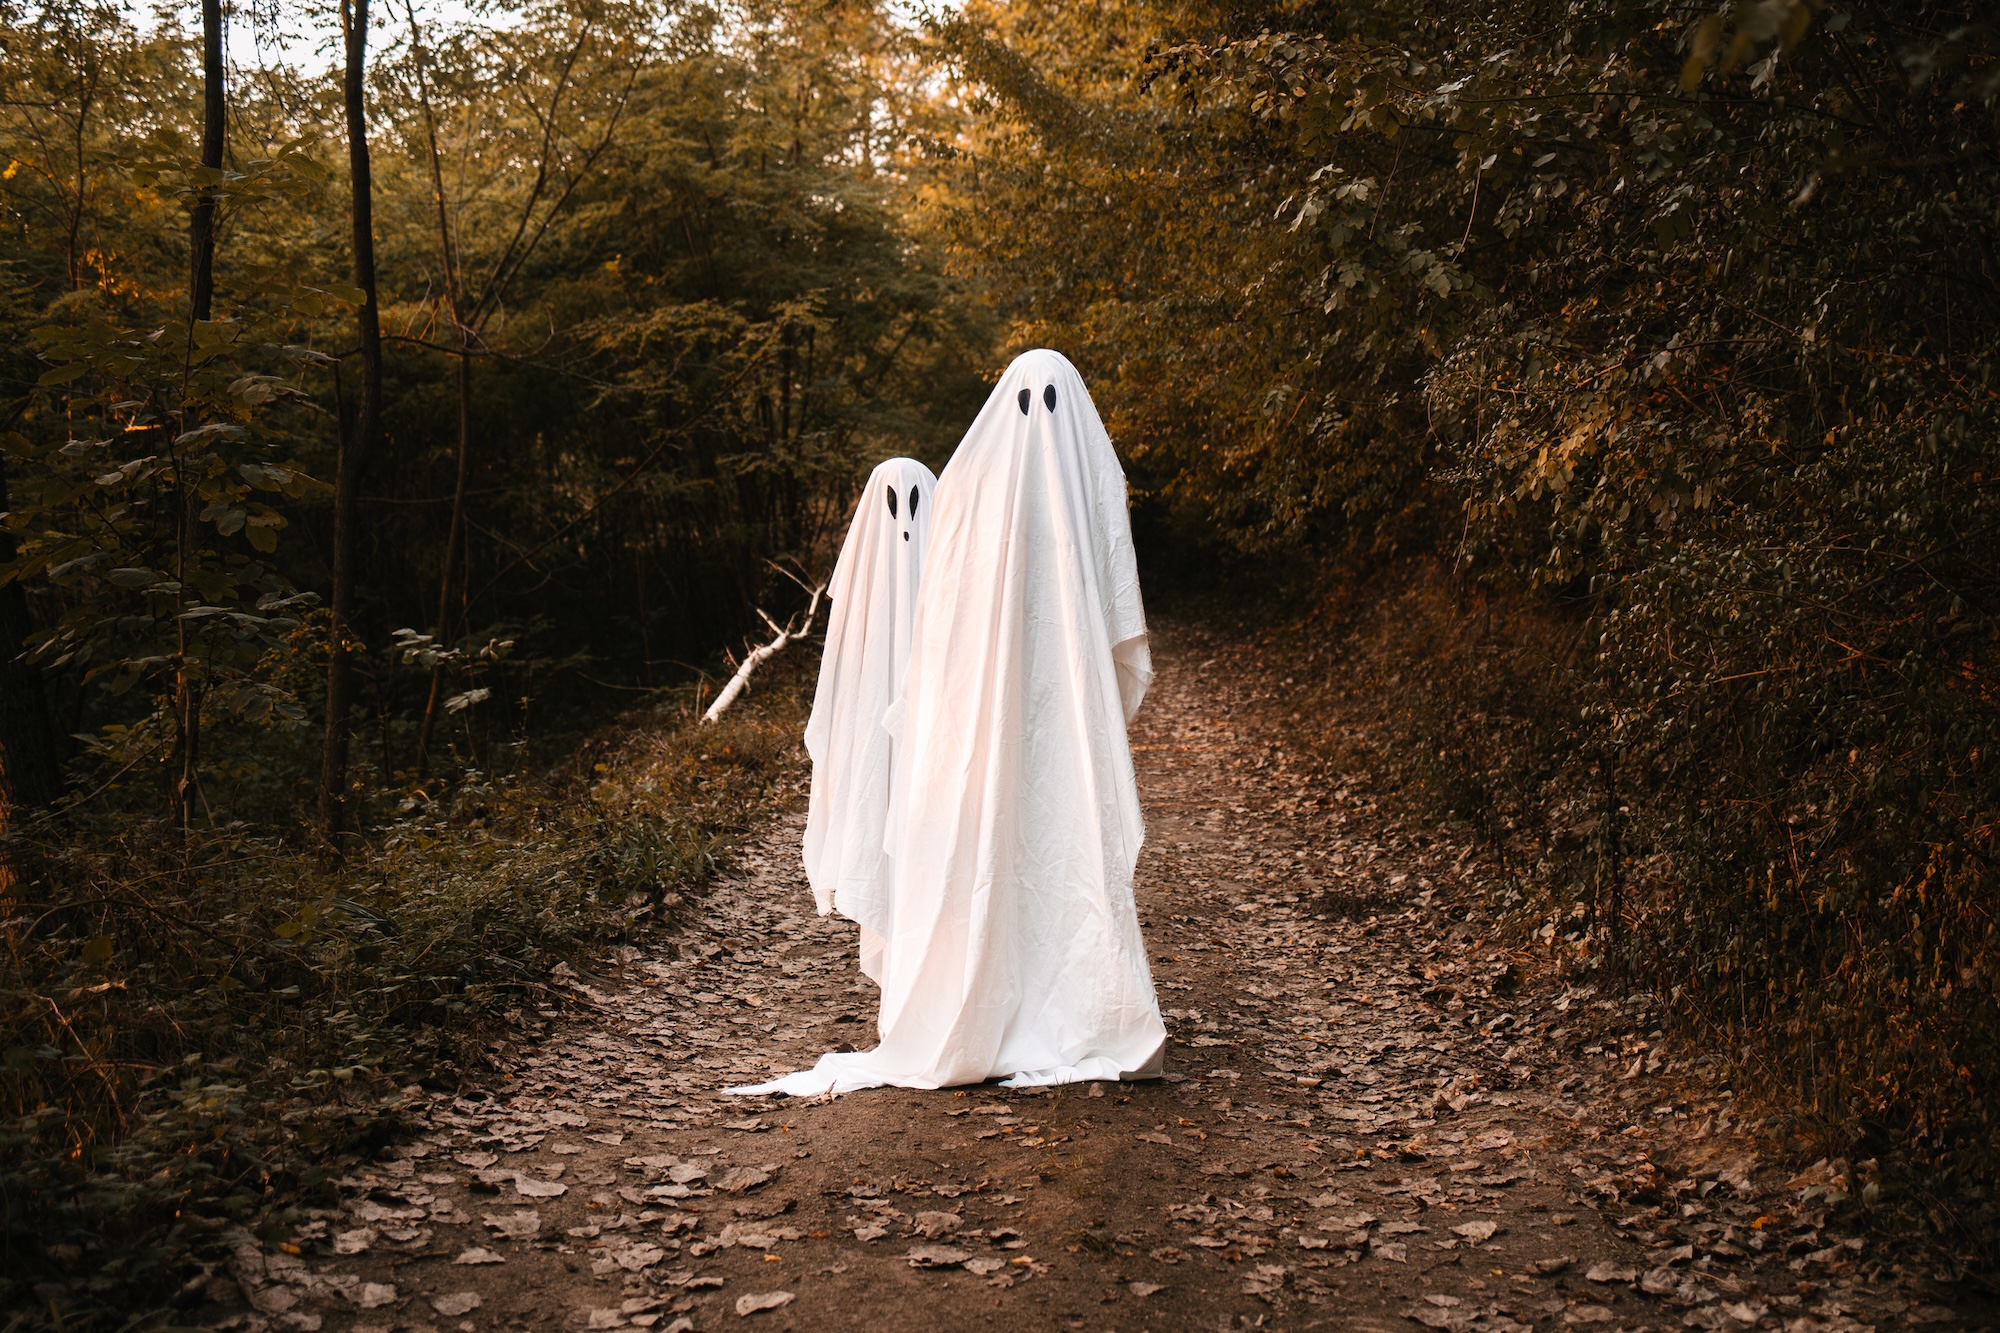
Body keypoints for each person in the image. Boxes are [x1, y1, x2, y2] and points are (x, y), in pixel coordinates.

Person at [734, 349, 1164, 1095]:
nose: (1041, 425)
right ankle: (989, 990)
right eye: (1026, 403)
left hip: (1065, 724)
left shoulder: (1078, 488)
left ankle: (1082, 1000)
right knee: (995, 854)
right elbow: (948, 636)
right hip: (990, 729)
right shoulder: (971, 497)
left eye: (1052, 403)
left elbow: (1109, 605)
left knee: (1063, 848)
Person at [800, 457, 937, 983]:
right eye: (893, 504)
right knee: (880, 817)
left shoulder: (949, 572)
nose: (905, 519)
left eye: (916, 503)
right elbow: (841, 672)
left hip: (929, 737)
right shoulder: (859, 587)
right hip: (874, 737)